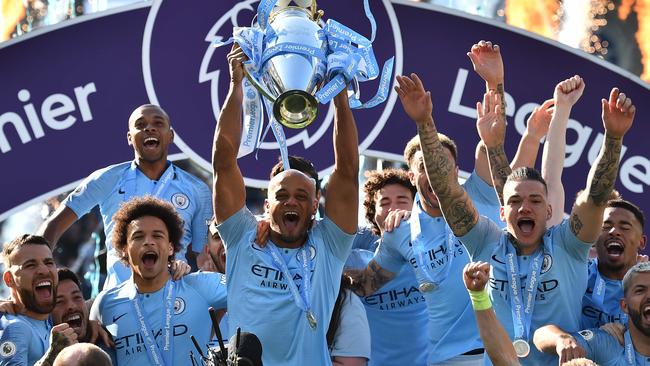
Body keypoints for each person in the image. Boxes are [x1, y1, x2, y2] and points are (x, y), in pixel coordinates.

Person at [393, 64, 636, 365]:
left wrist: (613, 137)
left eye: (535, 200)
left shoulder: (569, 244)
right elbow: (448, 193)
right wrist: (424, 123)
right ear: (502, 211)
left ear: (549, 211)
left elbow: (596, 197)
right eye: (516, 201)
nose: (525, 207)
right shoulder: (485, 242)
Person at [213, 43, 359, 366]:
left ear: (315, 205)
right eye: (281, 196)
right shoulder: (242, 236)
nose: (291, 201)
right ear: (266, 204)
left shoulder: (330, 244)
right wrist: (237, 85)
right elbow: (223, 163)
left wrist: (339, 94)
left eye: (301, 196)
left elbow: (348, 171)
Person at [37, 104, 211, 289]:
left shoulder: (197, 189)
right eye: (140, 124)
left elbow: (205, 257)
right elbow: (53, 225)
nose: (149, 128)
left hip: (176, 301)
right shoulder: (106, 179)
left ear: (171, 135)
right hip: (118, 301)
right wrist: (38, 272)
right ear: (129, 137)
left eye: (158, 123)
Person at [89, 196, 227, 366]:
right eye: (138, 237)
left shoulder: (201, 285)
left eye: (157, 235)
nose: (148, 242)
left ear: (170, 247)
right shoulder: (105, 304)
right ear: (124, 249)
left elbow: (252, 286)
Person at [345, 168, 429, 366]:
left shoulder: (435, 254)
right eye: (384, 202)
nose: (394, 208)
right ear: (373, 214)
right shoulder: (355, 260)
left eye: (402, 200)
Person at [534, 261, 650, 364]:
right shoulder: (608, 343)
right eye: (640, 290)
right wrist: (562, 339)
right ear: (625, 306)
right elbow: (540, 335)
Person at [0, 235, 77, 365]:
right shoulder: (14, 328)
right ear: (9, 279)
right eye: (30, 265)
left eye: (49, 263)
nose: (44, 270)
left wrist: (94, 321)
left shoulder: (48, 319)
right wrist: (53, 355)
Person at [582, 199, 647, 328]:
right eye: (605, 227)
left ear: (641, 242)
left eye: (625, 227)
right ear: (594, 237)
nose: (614, 232)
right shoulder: (575, 274)